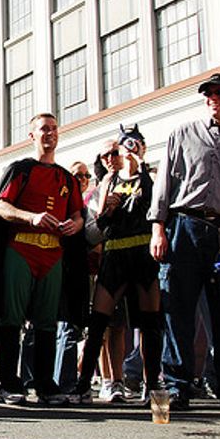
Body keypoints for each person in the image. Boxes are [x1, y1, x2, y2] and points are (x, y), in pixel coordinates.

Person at [148, 72, 220, 412]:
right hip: (184, 228)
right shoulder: (182, 134)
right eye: (208, 94)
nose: (213, 98)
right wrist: (158, 229)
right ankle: (177, 387)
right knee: (177, 311)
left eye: (219, 92)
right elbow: (164, 186)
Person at [0, 113, 84, 406]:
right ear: (32, 135)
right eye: (43, 129)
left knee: (46, 323)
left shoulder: (67, 177)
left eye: (54, 129)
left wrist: (75, 225)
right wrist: (31, 218)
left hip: (53, 255)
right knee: (11, 319)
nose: (50, 134)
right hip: (20, 250)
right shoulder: (20, 170)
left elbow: (78, 214)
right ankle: (9, 383)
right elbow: (0, 207)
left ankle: (45, 384)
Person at [70, 129, 162, 405]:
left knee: (150, 324)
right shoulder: (104, 185)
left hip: (143, 254)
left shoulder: (152, 179)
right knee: (99, 323)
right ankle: (85, 384)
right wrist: (106, 212)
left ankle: (153, 384)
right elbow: (92, 232)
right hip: (114, 255)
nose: (116, 157)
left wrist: (141, 167)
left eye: (118, 151)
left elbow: (160, 208)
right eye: (110, 154)